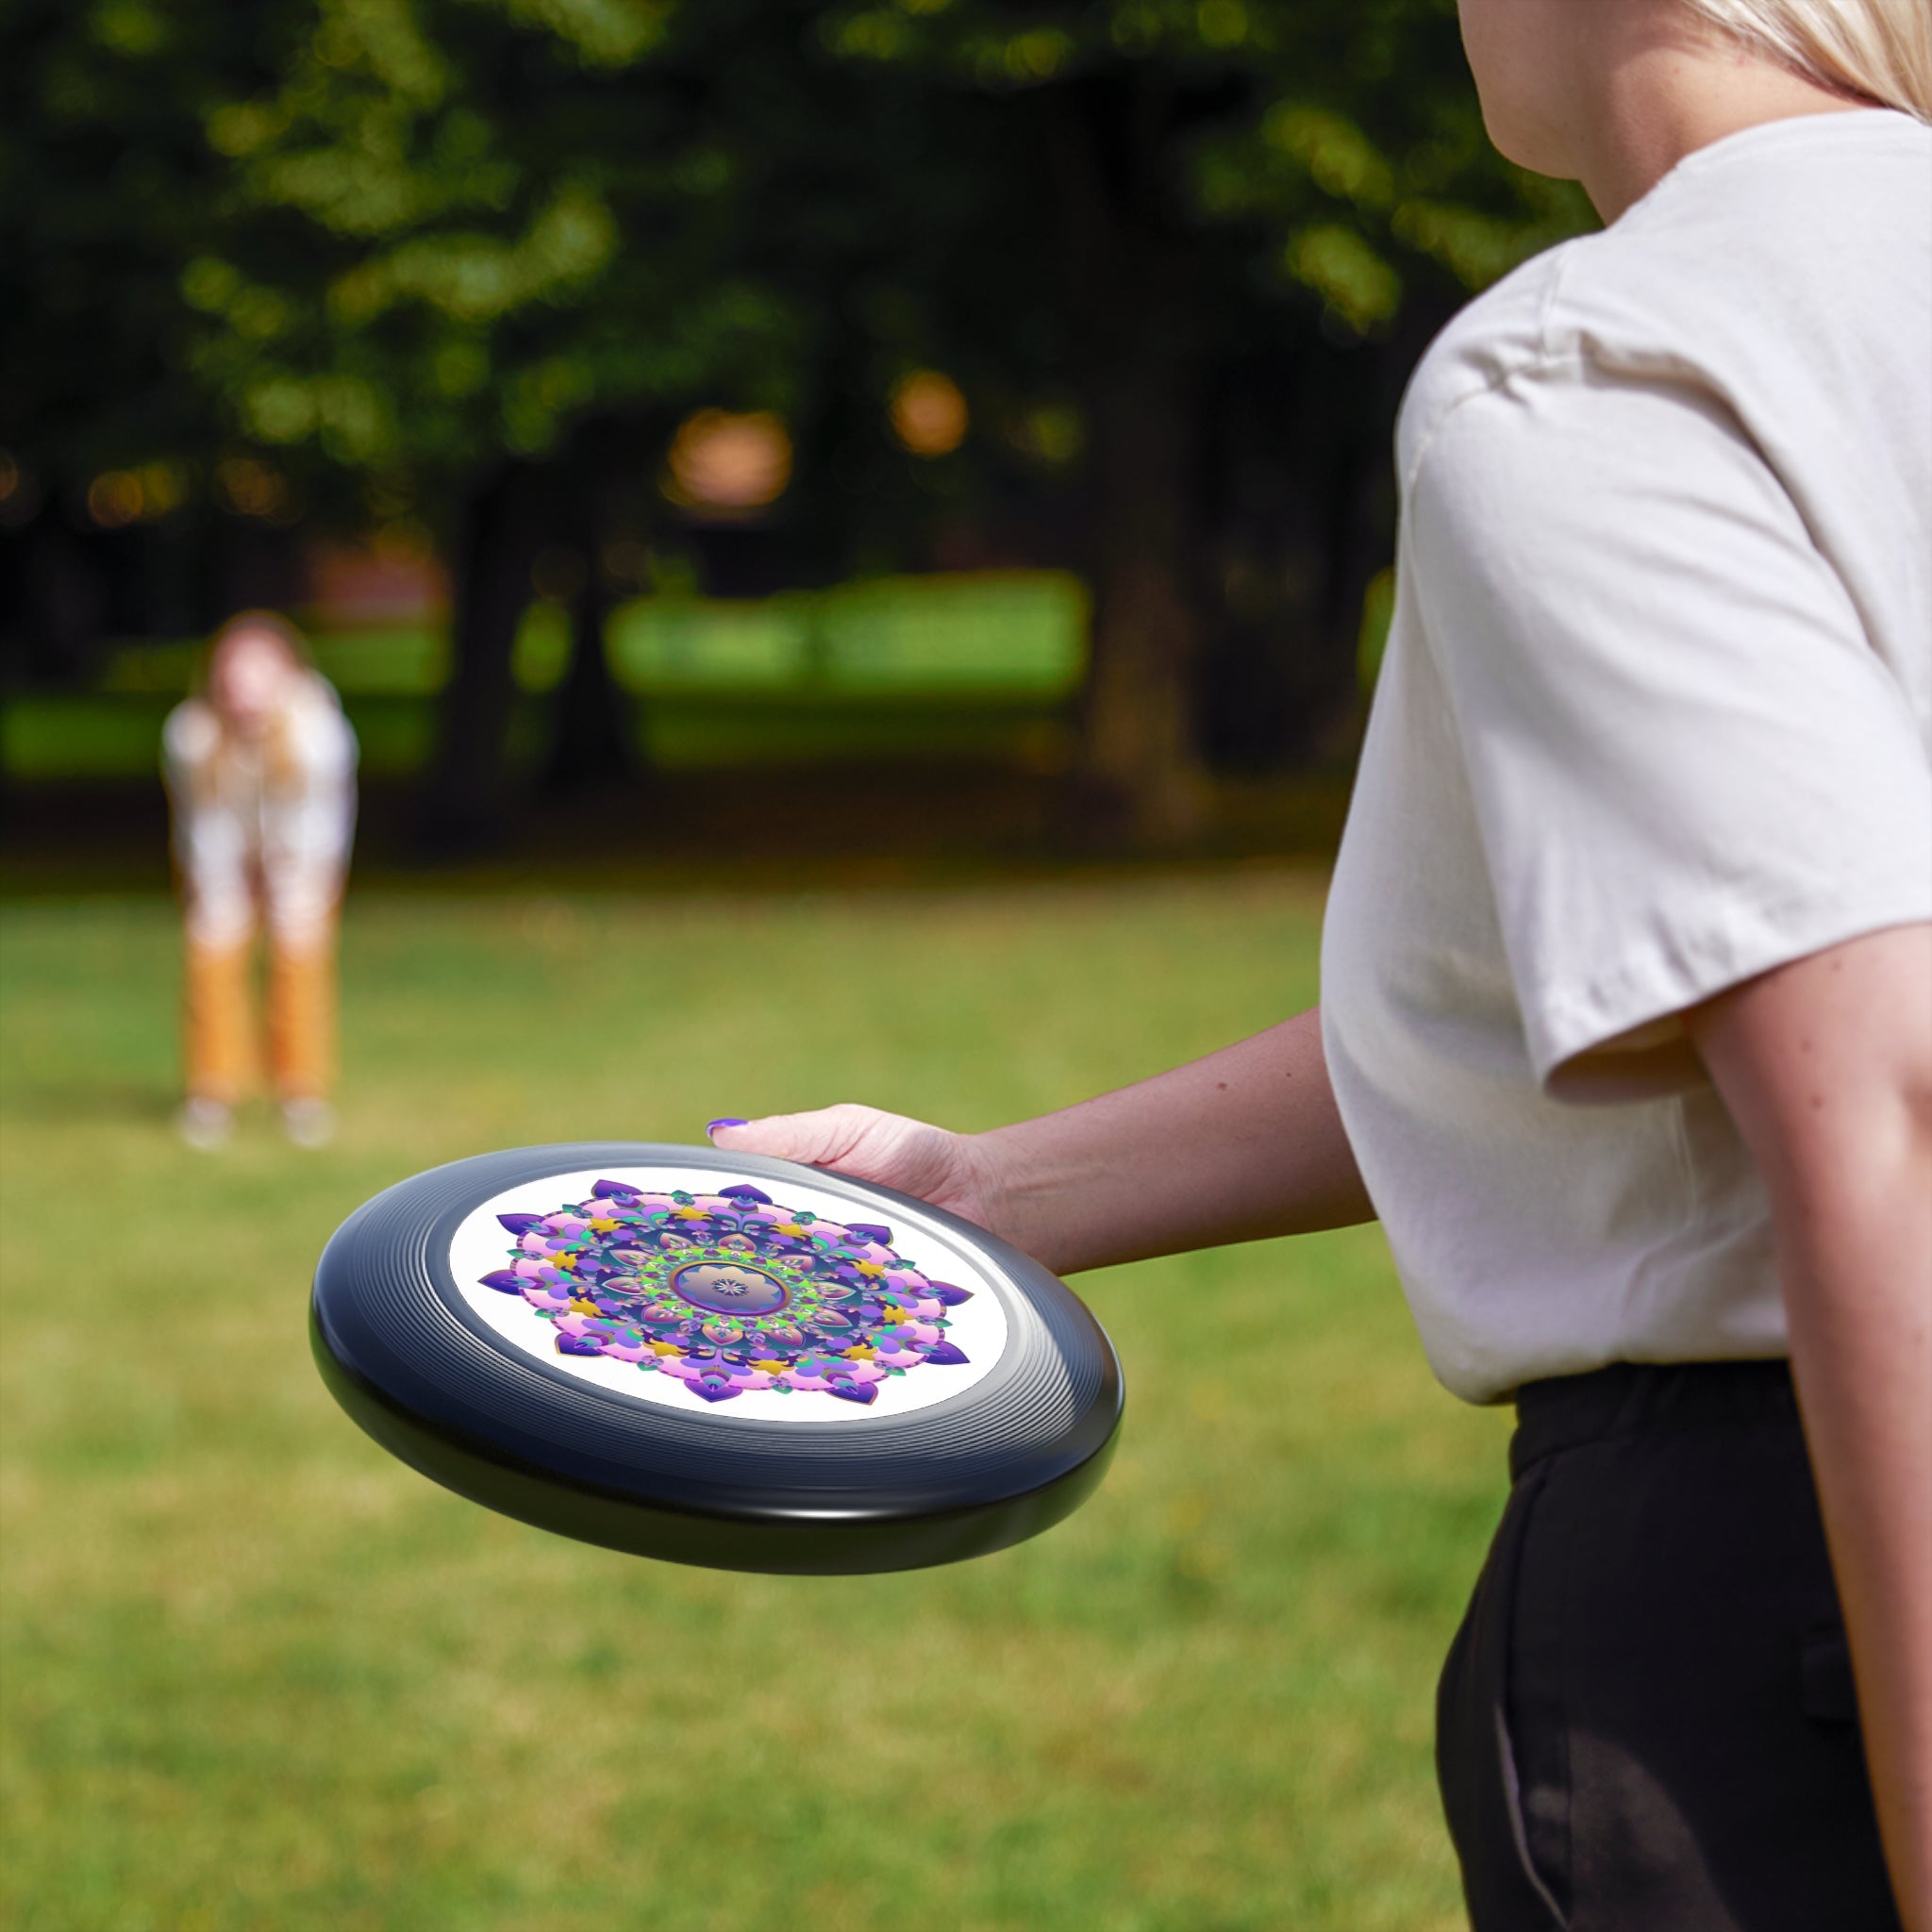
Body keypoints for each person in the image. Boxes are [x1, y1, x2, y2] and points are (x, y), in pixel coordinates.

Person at [705, 2, 1932, 1925]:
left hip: (1793, 1593)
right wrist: (988, 1190)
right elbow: (1625, 990)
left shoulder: (1609, 362)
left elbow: (1885, 1101)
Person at [162, 611, 358, 1150]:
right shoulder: (191, 735)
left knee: (299, 958)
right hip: (221, 856)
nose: (244, 691)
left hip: (302, 858)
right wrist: (224, 888)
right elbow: (204, 824)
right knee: (212, 952)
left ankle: (301, 1093)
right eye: (234, 675)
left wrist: (287, 881)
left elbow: (318, 824)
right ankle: (212, 1091)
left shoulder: (319, 733)